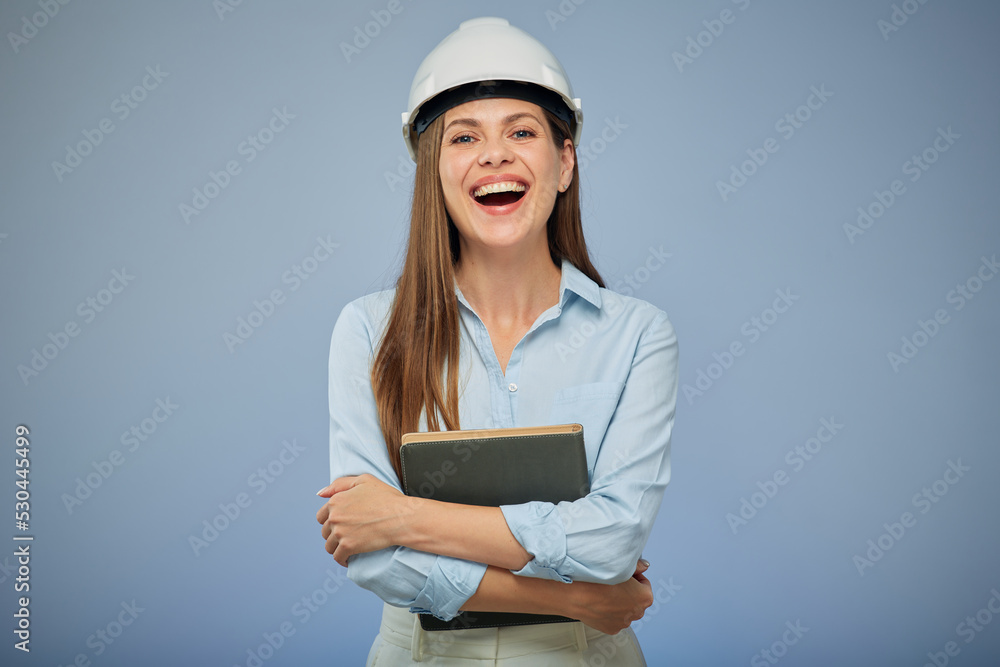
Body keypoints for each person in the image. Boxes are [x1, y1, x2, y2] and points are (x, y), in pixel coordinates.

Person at [315, 17, 678, 665]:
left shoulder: (637, 334)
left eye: (522, 130)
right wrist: (574, 598)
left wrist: (401, 516)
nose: (494, 154)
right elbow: (373, 563)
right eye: (464, 136)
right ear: (433, 172)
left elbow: (613, 541)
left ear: (564, 161)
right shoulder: (368, 330)